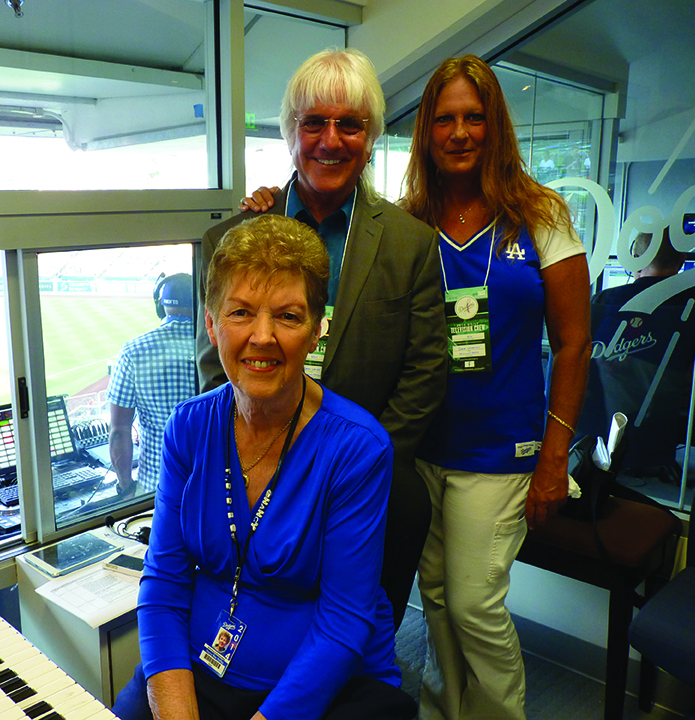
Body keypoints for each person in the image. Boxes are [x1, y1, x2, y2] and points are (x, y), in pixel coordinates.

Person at [113, 214, 417, 720]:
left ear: (318, 330)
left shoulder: (359, 449)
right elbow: (164, 584)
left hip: (333, 687)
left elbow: (343, 623)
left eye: (288, 316)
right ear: (211, 325)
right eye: (240, 313)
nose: (262, 337)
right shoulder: (187, 429)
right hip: (201, 667)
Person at [199, 47, 447, 628]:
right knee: (260, 628)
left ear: (371, 136)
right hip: (256, 478)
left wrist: (351, 467)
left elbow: (425, 372)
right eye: (313, 123)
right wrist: (266, 461)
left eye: (349, 125)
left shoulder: (411, 244)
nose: (330, 141)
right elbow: (216, 366)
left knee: (351, 639)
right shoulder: (232, 239)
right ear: (290, 132)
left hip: (366, 487)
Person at [403, 55, 591, 720]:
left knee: (475, 603)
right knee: (436, 599)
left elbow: (574, 344)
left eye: (474, 117)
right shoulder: (409, 222)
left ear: (496, 126)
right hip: (424, 453)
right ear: (426, 131)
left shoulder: (540, 215)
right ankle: (442, 709)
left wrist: (554, 456)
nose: (459, 132)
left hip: (500, 456)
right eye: (445, 119)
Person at [581, 229, 695, 479]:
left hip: (598, 438)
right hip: (658, 428)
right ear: (681, 262)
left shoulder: (604, 300)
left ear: (634, 258)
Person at [108, 273, 196, 496]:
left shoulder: (132, 352)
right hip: (212, 485)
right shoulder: (217, 347)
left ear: (160, 305)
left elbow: (119, 432)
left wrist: (125, 486)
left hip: (156, 489)